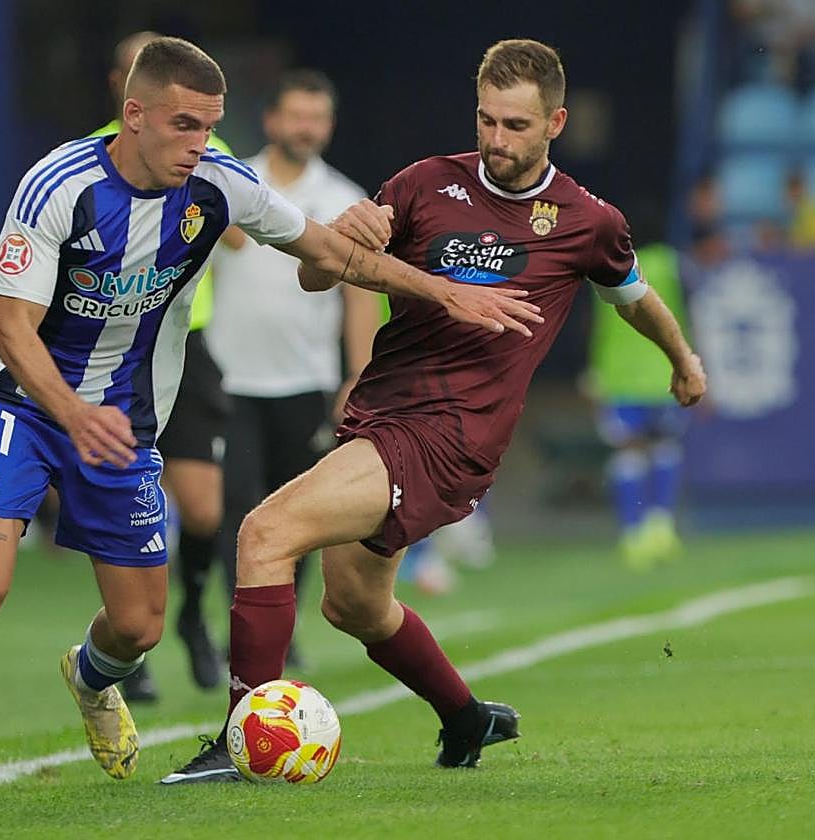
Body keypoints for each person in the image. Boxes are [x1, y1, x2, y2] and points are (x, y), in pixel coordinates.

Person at [0, 35, 539, 800]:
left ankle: (89, 680)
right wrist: (73, 412)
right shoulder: (56, 185)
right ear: (134, 113)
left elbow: (331, 253)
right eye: (183, 124)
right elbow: (13, 331)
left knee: (140, 628)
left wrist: (446, 291)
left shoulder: (220, 182)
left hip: (124, 421)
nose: (199, 143)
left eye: (210, 125)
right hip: (18, 404)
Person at [162, 38, 707, 784]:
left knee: (264, 532)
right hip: (384, 414)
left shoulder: (587, 220)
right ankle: (465, 716)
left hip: (446, 435)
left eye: (516, 126)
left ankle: (240, 739)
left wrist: (683, 358)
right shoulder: (425, 185)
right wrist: (345, 242)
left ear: (556, 123)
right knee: (353, 607)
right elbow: (323, 279)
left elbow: (635, 299)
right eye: (486, 121)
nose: (496, 140)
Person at [207, 68, 378, 666]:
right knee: (230, 510)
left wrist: (356, 375)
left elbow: (360, 296)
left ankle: (278, 628)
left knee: (299, 517)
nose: (306, 127)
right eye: (296, 115)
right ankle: (228, 624)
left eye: (318, 117)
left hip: (305, 381)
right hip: (229, 378)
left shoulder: (345, 200)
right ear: (272, 120)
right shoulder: (233, 186)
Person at [88, 30, 236, 699]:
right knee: (127, 505)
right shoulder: (92, 159)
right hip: (116, 349)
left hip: (188, 345)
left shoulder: (205, 149)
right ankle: (129, 651)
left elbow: (236, 232)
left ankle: (194, 618)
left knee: (204, 510)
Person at [588, 223, 691, 570]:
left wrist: (593, 372)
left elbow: (594, 323)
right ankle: (661, 527)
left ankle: (632, 534)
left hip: (618, 377)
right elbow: (688, 314)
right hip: (662, 372)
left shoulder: (602, 262)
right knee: (665, 447)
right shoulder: (671, 264)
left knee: (627, 453)